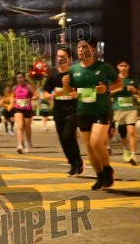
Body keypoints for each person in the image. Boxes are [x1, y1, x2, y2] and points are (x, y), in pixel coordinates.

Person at [60, 38, 120, 190]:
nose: (80, 50)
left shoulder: (104, 67)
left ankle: (107, 169)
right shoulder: (74, 69)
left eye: (84, 47)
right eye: (79, 48)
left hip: (102, 110)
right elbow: (68, 93)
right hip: (83, 112)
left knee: (96, 142)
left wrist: (106, 89)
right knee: (90, 147)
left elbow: (118, 83)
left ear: (93, 50)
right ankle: (100, 175)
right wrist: (66, 85)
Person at [43, 47, 83, 176]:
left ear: (69, 59)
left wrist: (76, 94)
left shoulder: (74, 75)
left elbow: (82, 91)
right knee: (63, 140)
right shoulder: (53, 77)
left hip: (72, 111)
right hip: (58, 112)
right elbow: (45, 94)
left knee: (68, 136)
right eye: (58, 56)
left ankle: (78, 163)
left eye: (62, 56)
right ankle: (72, 164)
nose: (59, 59)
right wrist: (53, 94)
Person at [111, 59, 140, 165]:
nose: (123, 67)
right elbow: (107, 92)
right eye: (121, 65)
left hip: (131, 109)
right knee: (123, 133)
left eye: (125, 65)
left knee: (132, 132)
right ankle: (125, 149)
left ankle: (133, 155)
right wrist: (117, 90)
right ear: (117, 67)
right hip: (118, 109)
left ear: (128, 67)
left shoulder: (133, 80)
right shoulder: (114, 80)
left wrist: (135, 91)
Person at [11, 73, 36, 153]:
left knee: (27, 127)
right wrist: (12, 102)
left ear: (24, 78)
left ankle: (28, 142)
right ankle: (19, 145)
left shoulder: (29, 87)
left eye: (21, 78)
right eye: (18, 78)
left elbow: (36, 95)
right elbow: (13, 96)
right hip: (18, 108)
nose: (20, 80)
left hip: (27, 108)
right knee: (20, 126)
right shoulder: (15, 87)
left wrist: (31, 98)